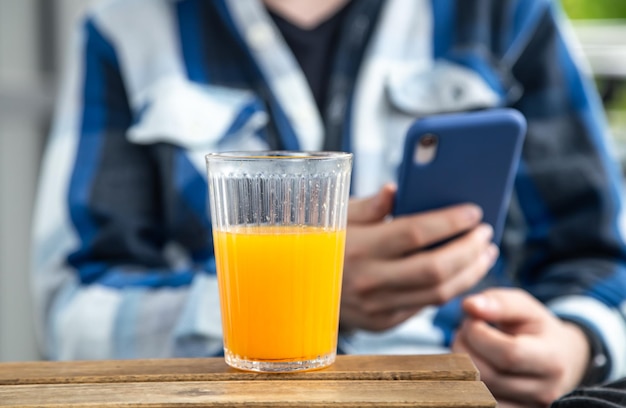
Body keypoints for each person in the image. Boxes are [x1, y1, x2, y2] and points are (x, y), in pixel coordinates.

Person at [31, 0, 626, 406]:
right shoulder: (128, 22)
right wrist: (285, 303)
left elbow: (605, 256)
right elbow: (68, 315)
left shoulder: (505, 11)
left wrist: (578, 345)